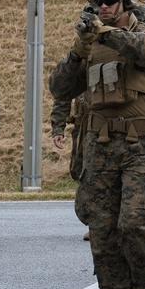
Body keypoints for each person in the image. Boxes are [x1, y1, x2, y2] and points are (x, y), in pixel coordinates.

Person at [48, 0, 145, 289]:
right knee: (102, 231)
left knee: (135, 223)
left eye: (110, 0)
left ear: (126, 0)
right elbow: (60, 88)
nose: (103, 7)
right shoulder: (90, 40)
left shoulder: (144, 32)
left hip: (140, 146)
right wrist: (76, 52)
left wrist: (110, 35)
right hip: (99, 147)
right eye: (97, 1)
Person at [50, 94, 91, 241]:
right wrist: (58, 128)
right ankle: (97, 223)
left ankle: (102, 225)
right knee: (79, 171)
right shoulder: (81, 70)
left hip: (118, 124)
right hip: (84, 127)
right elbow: (63, 93)